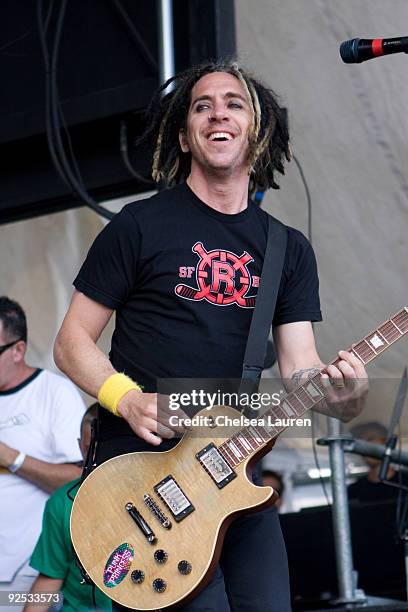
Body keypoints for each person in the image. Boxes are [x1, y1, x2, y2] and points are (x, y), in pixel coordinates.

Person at [54, 61, 369, 611]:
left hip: (234, 470)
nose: (218, 111)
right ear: (184, 136)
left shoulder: (287, 250)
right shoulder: (139, 226)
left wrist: (344, 393)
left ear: (258, 130)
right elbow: (71, 343)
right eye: (202, 105)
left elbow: (300, 367)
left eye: (234, 103)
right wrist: (125, 399)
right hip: (146, 477)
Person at [0, 297, 85, 608]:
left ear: (18, 350)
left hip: (28, 569)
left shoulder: (54, 393)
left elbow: (79, 482)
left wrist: (12, 457)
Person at [25, 404, 111, 612]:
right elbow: (50, 578)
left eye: (106, 448)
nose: (97, 457)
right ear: (80, 446)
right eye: (90, 447)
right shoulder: (61, 502)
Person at [348, 421, 408, 503]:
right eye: (360, 442)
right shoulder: (354, 490)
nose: (364, 446)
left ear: (386, 442)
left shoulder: (405, 482)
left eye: (370, 439)